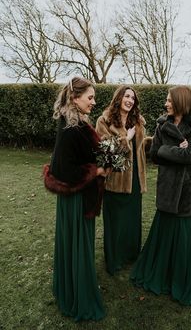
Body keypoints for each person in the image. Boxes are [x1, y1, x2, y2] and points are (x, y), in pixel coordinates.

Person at [130, 85, 191, 306]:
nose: (166, 104)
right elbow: (155, 154)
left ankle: (178, 276)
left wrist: (171, 151)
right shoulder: (162, 124)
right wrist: (172, 151)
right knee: (163, 232)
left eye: (169, 101)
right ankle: (159, 272)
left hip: (185, 190)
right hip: (167, 187)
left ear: (180, 102)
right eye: (166, 100)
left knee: (181, 234)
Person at [43, 77, 109, 321]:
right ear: (74, 98)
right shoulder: (71, 128)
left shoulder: (76, 122)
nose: (93, 102)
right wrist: (98, 171)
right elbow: (64, 170)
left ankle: (71, 287)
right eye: (89, 97)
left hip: (78, 198)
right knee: (77, 246)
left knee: (76, 246)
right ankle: (78, 296)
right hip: (76, 201)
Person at [96, 85, 149, 275]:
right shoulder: (104, 120)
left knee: (131, 220)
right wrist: (125, 138)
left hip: (135, 179)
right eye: (127, 96)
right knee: (115, 222)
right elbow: (105, 151)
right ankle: (114, 259)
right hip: (116, 179)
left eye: (133, 98)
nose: (130, 100)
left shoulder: (138, 121)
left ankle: (130, 256)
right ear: (118, 98)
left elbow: (141, 147)